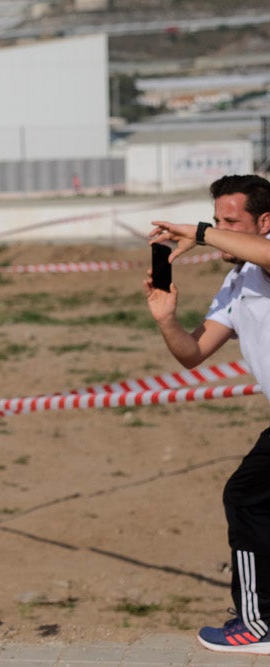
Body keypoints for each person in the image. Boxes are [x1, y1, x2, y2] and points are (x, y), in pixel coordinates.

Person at [143, 173, 270, 655]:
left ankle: (257, 625)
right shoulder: (236, 281)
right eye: (216, 219)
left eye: (229, 221)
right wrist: (167, 320)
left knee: (247, 498)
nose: (219, 230)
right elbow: (193, 353)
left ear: (265, 222)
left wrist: (197, 232)